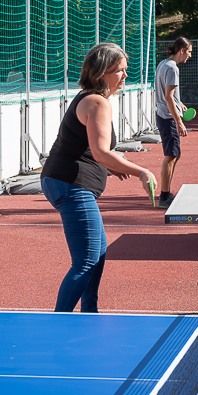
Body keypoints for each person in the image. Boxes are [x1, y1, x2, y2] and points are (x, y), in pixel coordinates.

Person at [39, 43, 158, 312]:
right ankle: (57, 323)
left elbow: (88, 148)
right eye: (119, 70)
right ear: (101, 72)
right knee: (86, 261)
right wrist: (142, 172)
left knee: (98, 254)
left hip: (66, 181)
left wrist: (109, 166)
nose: (125, 75)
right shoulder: (97, 102)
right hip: (71, 184)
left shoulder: (91, 98)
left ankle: (89, 314)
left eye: (125, 69)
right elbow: (101, 152)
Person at [154, 37, 192, 209]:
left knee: (175, 155)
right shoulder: (172, 68)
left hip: (163, 114)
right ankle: (164, 196)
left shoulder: (163, 64)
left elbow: (169, 94)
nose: (190, 55)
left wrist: (179, 103)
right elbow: (168, 96)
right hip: (168, 117)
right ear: (182, 50)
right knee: (170, 156)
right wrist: (179, 121)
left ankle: (165, 193)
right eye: (189, 52)